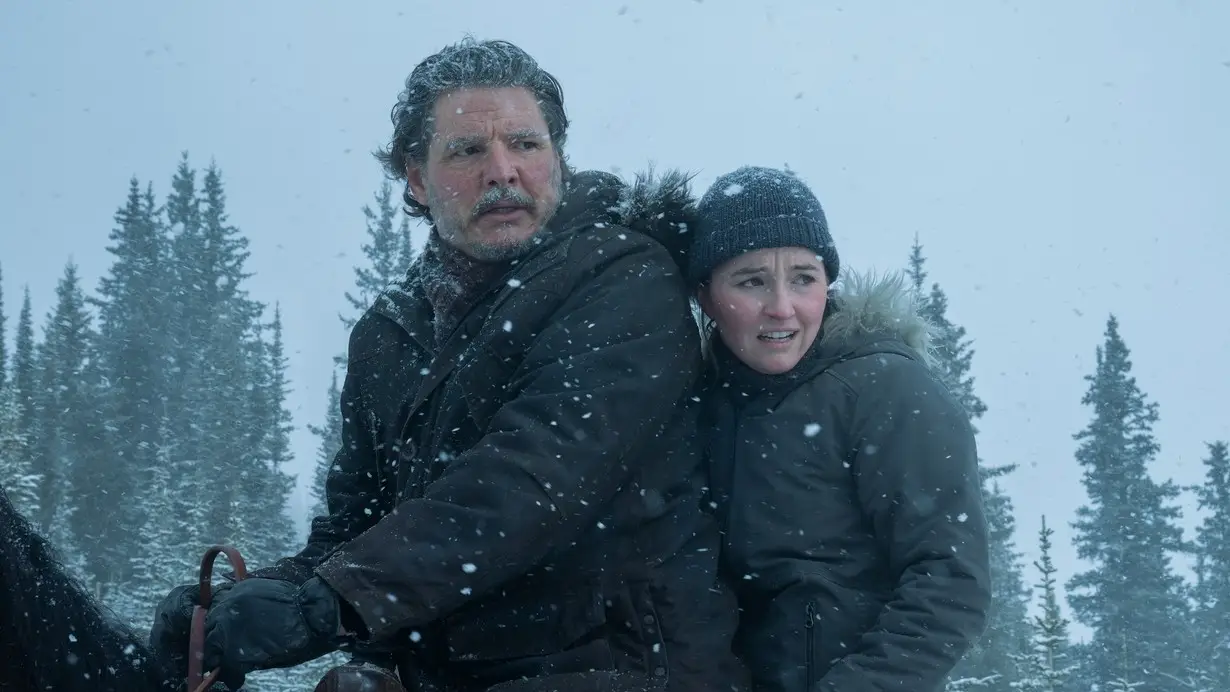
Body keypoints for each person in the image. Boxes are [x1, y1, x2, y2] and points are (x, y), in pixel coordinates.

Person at [149, 38, 746, 692]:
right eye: (467, 150)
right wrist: (249, 602)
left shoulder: (625, 279)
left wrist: (329, 604)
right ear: (415, 177)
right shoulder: (390, 333)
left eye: (525, 144)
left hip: (618, 669)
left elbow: (532, 481)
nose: (502, 171)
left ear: (559, 157)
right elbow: (356, 534)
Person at [688, 166, 992, 692]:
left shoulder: (886, 389)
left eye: (803, 278)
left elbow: (949, 581)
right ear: (705, 296)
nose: (782, 307)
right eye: (751, 280)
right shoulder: (694, 402)